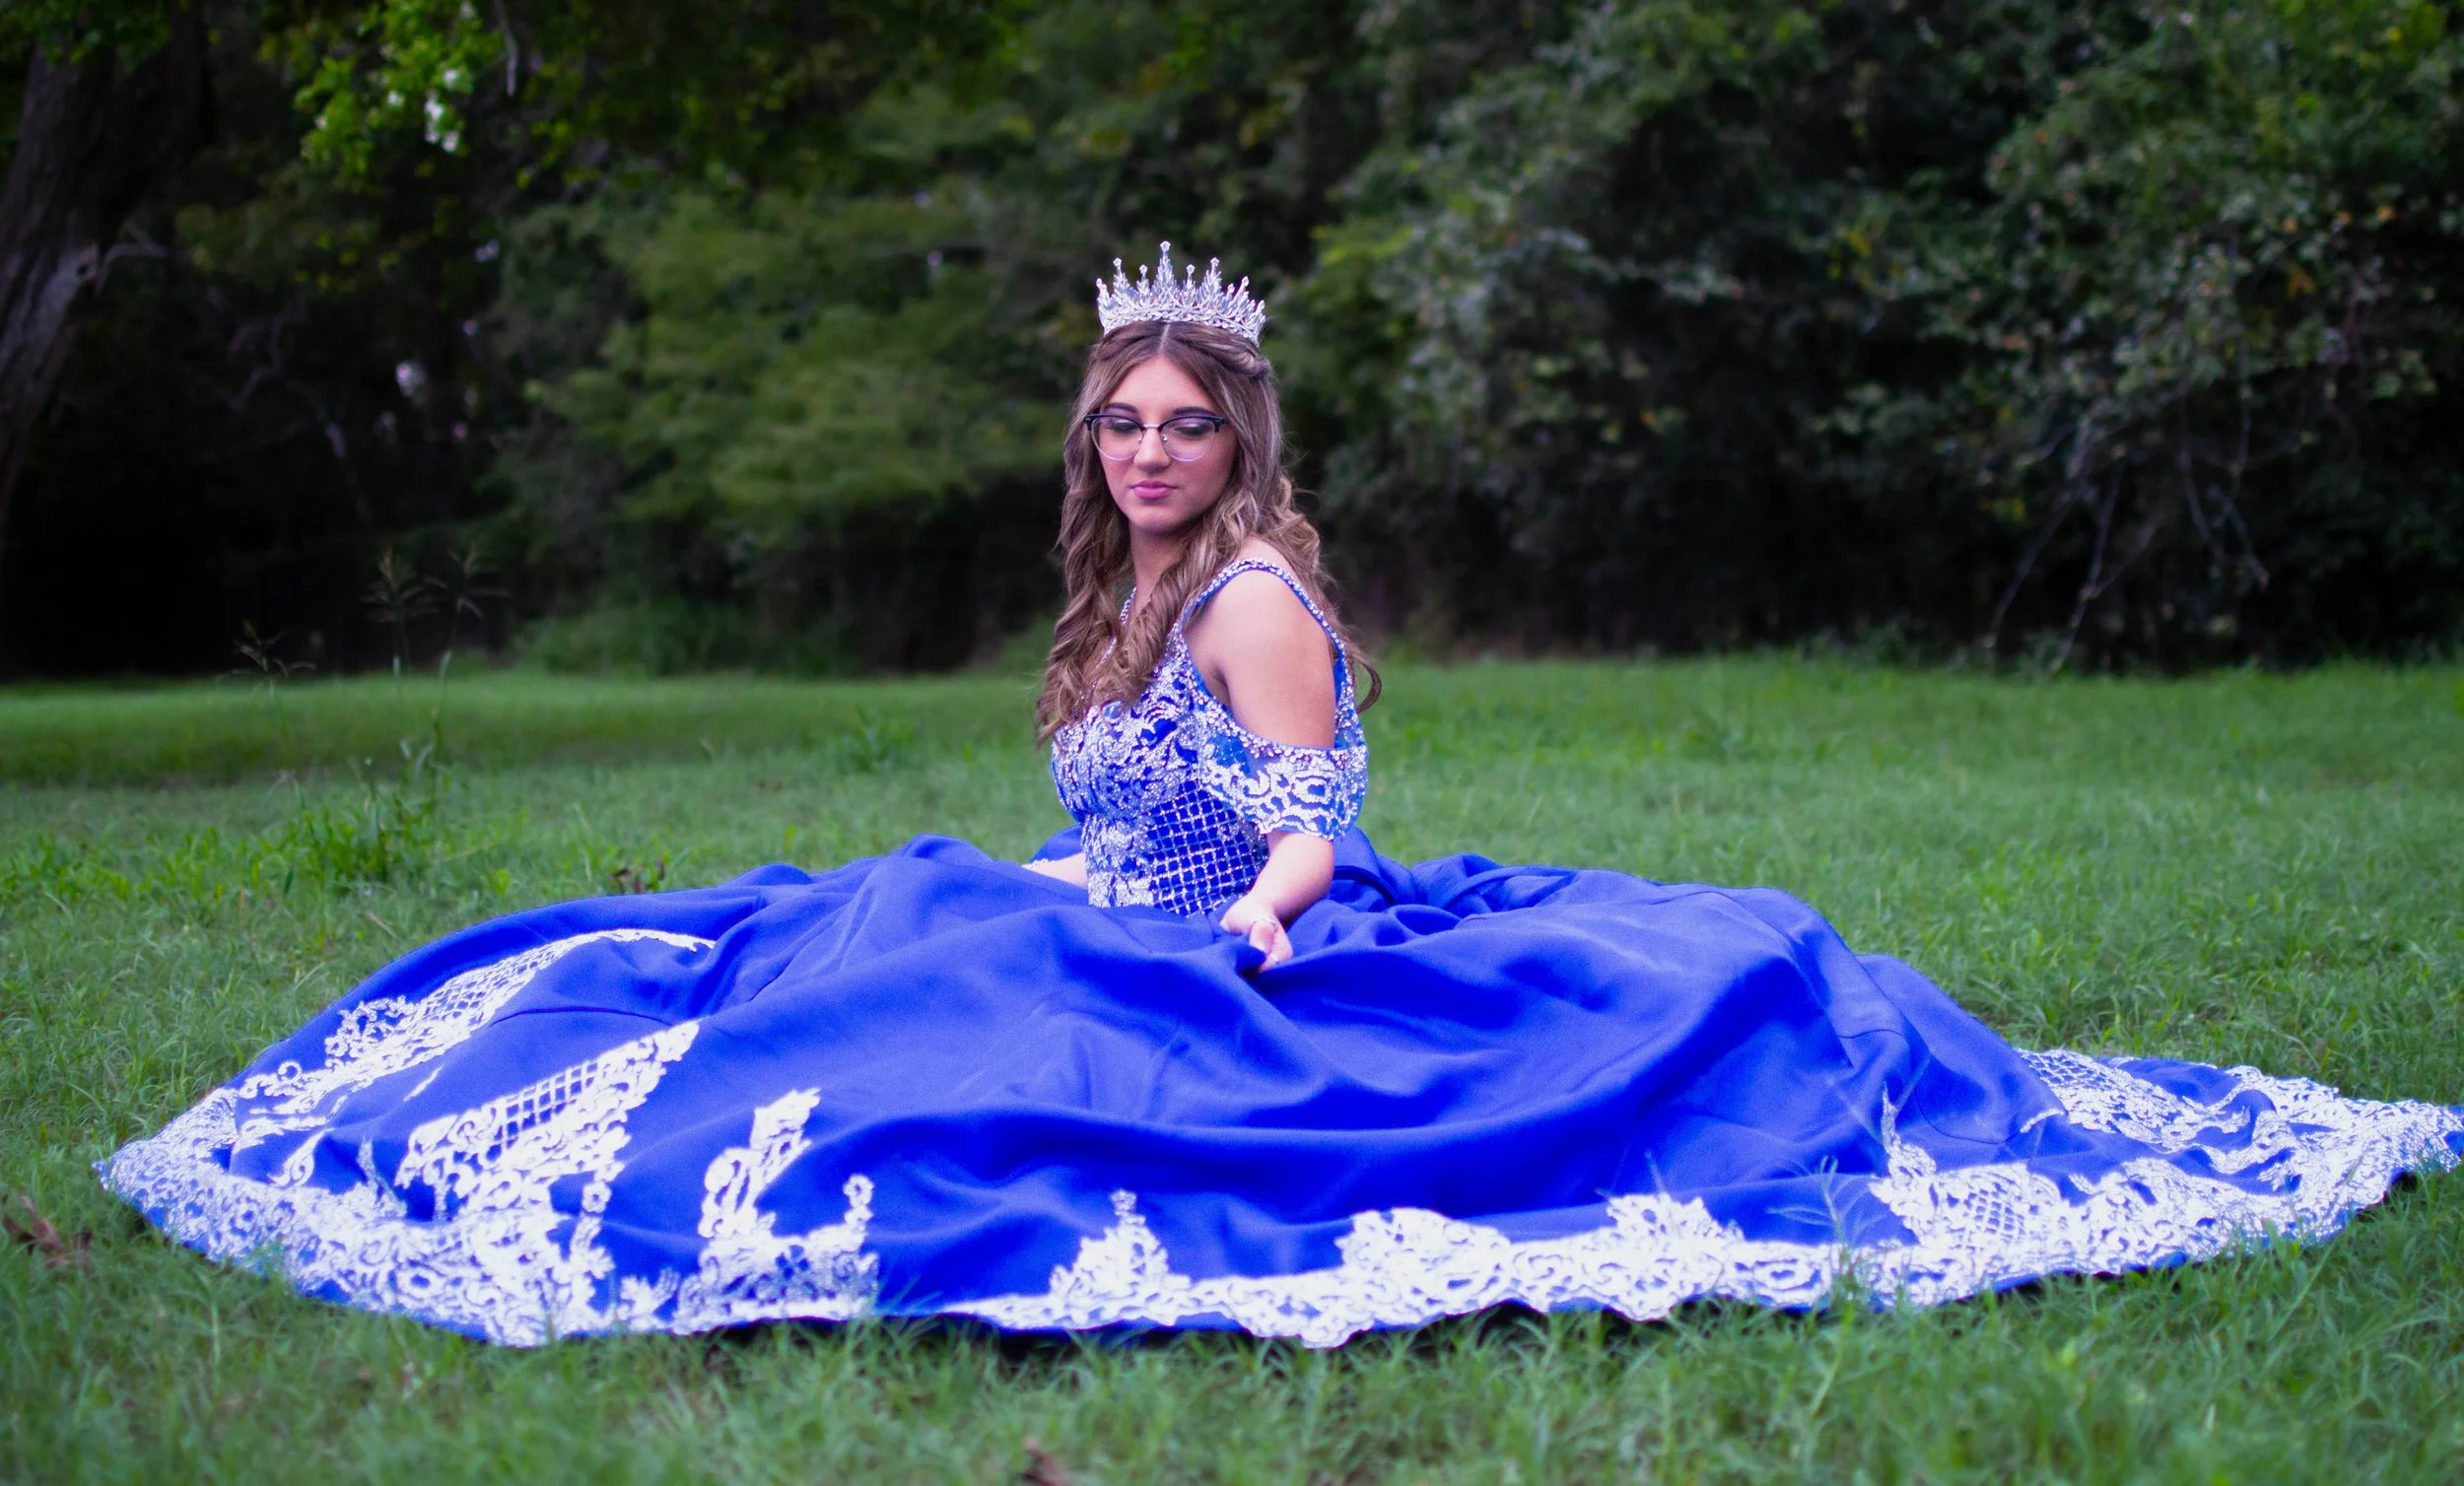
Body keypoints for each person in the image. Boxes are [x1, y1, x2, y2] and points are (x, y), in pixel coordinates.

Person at [104, 245, 2462, 1349]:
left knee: (954, 1023)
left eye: (1183, 422)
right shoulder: (1105, 593)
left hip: (1262, 935)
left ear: (1238, 441)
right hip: (1109, 896)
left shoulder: (1245, 589)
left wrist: (1251, 921)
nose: (1147, 454)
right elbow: (1125, 807)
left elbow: (1308, 804)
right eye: (1118, 424)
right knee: (820, 946)